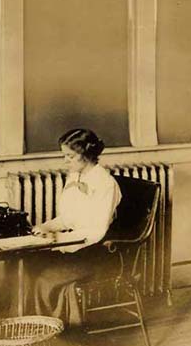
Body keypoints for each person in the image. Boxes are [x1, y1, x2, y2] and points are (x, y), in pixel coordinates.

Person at [27, 128, 122, 327]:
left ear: (86, 154)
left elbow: (96, 232)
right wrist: (45, 226)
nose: (65, 161)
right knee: (27, 268)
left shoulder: (106, 184)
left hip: (95, 253)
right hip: (74, 246)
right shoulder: (75, 176)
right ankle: (30, 329)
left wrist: (57, 238)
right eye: (64, 155)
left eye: (70, 156)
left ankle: (52, 331)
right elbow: (68, 218)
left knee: (44, 279)